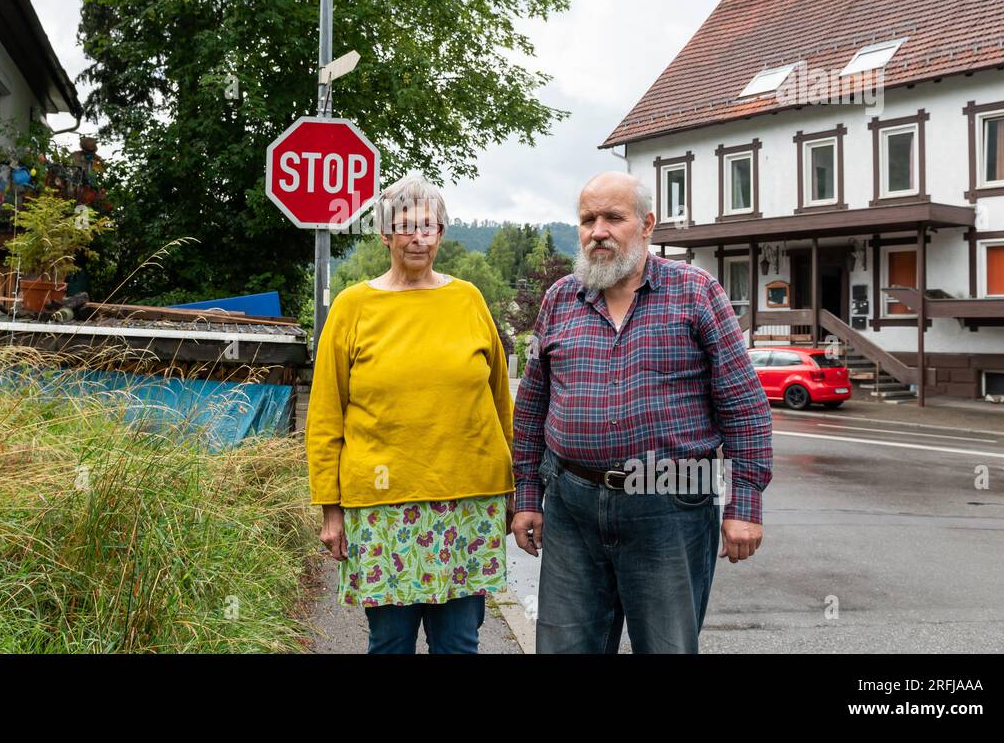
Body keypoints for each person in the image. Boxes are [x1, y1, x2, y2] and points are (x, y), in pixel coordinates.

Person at [511, 171, 773, 653]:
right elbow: (531, 407)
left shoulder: (696, 293)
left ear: (648, 224)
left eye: (614, 217)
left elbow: (745, 405)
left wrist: (745, 504)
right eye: (588, 219)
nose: (598, 231)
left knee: (666, 646)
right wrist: (527, 493)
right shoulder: (560, 300)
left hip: (669, 505)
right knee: (565, 647)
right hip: (572, 505)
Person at [306, 173, 515, 653]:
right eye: (406, 226)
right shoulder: (353, 307)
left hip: (467, 499)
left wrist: (513, 490)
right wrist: (331, 510)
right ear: (384, 233)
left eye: (430, 226)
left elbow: (502, 402)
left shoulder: (468, 300)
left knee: (460, 641)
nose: (419, 237)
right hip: (382, 503)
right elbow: (325, 417)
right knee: (390, 642)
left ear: (442, 232)